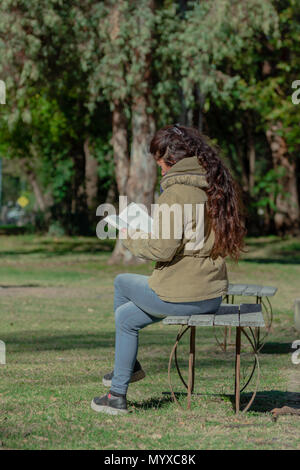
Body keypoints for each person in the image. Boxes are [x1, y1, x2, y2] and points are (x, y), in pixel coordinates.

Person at [91, 124, 246, 415]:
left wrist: (128, 234)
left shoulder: (176, 194)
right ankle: (117, 394)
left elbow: (162, 249)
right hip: (210, 295)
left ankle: (127, 370)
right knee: (126, 318)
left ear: (170, 159)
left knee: (121, 281)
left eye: (160, 163)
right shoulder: (213, 186)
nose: (160, 170)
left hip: (182, 293)